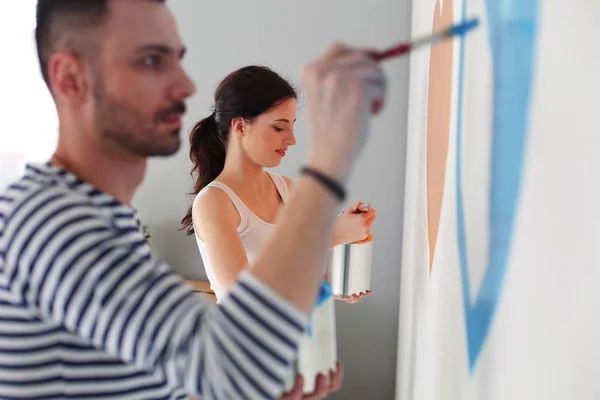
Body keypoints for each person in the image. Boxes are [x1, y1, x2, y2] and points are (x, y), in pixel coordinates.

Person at [0, 1, 386, 399]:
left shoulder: (109, 221)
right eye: (151, 60)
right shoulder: (54, 223)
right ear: (71, 78)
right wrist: (327, 165)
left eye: (177, 60)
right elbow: (231, 368)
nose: (185, 85)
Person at [182, 65, 377, 399]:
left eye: (293, 126)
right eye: (278, 127)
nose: (292, 139)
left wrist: (338, 281)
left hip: (298, 354)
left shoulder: (287, 189)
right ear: (240, 126)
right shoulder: (214, 202)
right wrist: (330, 237)